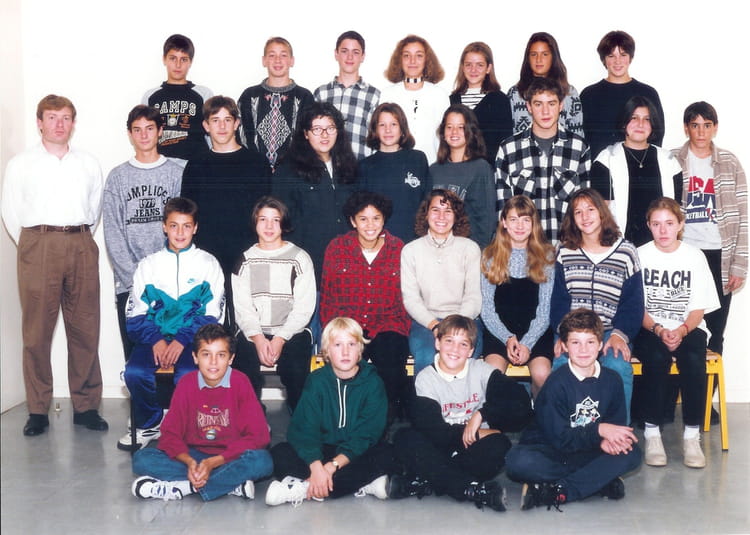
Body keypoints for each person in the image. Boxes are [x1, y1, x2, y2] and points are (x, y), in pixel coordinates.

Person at [2, 94, 108, 437]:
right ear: (40, 123)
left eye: (65, 118)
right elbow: (11, 211)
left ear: (73, 123)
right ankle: (37, 410)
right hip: (38, 243)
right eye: (51, 117)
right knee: (36, 332)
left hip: (80, 242)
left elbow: (94, 210)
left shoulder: (88, 163)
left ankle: (86, 406)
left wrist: (76, 238)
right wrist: (34, 244)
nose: (59, 124)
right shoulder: (21, 164)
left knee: (85, 327)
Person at [392, 315, 532, 512]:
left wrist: (481, 414)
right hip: (440, 446)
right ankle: (470, 489)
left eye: (463, 344)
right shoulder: (425, 379)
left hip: (468, 450)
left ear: (471, 351)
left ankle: (431, 478)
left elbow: (521, 404)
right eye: (449, 341)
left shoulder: (482, 371)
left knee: (499, 445)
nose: (455, 349)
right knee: (405, 438)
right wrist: (477, 432)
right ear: (437, 343)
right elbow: (436, 432)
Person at [505, 309, 641, 510]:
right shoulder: (556, 383)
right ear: (564, 346)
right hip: (553, 448)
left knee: (632, 453)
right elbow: (560, 439)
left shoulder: (612, 380)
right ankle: (597, 480)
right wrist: (599, 431)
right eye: (576, 342)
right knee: (517, 462)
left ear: (600, 345)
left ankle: (560, 490)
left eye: (590, 342)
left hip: (589, 448)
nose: (583, 349)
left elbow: (616, 427)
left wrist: (610, 440)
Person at [121, 197, 225, 451]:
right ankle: (149, 424)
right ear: (164, 227)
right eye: (174, 226)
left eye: (186, 226)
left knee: (189, 373)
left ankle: (188, 426)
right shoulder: (148, 266)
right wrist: (156, 340)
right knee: (135, 373)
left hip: (193, 340)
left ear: (195, 228)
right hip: (154, 338)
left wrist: (182, 340)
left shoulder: (208, 264)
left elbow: (213, 315)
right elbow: (134, 316)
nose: (180, 233)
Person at [131, 324, 272, 501]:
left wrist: (214, 462)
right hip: (194, 455)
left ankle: (186, 487)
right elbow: (169, 434)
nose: (213, 362)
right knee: (142, 458)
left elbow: (259, 436)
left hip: (230, 456)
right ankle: (228, 483)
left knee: (263, 461)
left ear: (231, 359)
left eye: (221, 355)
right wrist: (189, 462)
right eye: (206, 354)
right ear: (195, 357)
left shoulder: (240, 382)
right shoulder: (186, 383)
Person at [265, 317, 398, 506]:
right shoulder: (316, 381)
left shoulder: (373, 383)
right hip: (322, 451)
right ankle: (359, 484)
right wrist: (316, 466)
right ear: (327, 351)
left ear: (360, 349)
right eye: (337, 345)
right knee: (279, 453)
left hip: (353, 454)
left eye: (351, 344)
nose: (345, 352)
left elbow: (366, 434)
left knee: (388, 453)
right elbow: (304, 430)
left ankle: (304, 487)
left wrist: (332, 467)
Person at [635, 198, 719, 469]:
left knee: (693, 360)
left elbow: (698, 309)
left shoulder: (694, 256)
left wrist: (681, 331)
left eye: (669, 223)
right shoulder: (639, 255)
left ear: (680, 225)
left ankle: (692, 436)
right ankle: (652, 434)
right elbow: (636, 307)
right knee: (656, 359)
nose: (663, 230)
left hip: (688, 326)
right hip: (650, 327)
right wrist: (659, 329)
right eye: (656, 224)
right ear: (648, 225)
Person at [181, 95, 272, 341]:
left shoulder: (256, 163)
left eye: (227, 120)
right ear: (206, 126)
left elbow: (266, 213)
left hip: (248, 255)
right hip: (208, 256)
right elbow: (187, 214)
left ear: (237, 123)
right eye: (215, 120)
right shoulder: (196, 165)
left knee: (249, 324)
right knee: (210, 325)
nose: (221, 126)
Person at [549, 189, 643, 421]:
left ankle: (618, 431)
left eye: (590, 209)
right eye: (578, 212)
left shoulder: (626, 252)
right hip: (573, 331)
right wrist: (563, 334)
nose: (585, 216)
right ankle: (563, 429)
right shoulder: (564, 251)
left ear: (602, 213)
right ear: (572, 219)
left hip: (611, 331)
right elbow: (558, 300)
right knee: (561, 364)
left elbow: (633, 303)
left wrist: (620, 335)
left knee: (618, 366)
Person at [103, 104, 183, 361]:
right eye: (137, 130)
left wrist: (169, 273)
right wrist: (135, 279)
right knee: (138, 361)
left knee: (173, 360)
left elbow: (182, 229)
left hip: (170, 283)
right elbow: (113, 232)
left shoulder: (176, 173)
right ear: (130, 134)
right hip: (130, 284)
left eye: (149, 128)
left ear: (160, 131)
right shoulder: (117, 177)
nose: (144, 135)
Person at [320, 191, 411, 414]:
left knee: (391, 367)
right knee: (345, 365)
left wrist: (401, 327)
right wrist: (332, 332)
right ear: (353, 221)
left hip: (387, 324)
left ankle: (383, 421)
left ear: (384, 219)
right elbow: (327, 296)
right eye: (363, 219)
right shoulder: (337, 247)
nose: (370, 225)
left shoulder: (399, 248)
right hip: (348, 325)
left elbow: (406, 297)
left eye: (376, 218)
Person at [673, 101, 747, 355]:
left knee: (716, 328)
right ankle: (681, 381)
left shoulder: (729, 162)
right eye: (695, 125)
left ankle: (708, 382)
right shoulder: (673, 159)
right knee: (682, 324)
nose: (701, 131)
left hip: (720, 255)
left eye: (706, 125)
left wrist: (739, 265)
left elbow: (743, 215)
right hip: (686, 252)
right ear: (686, 128)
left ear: (715, 128)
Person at [232, 196, 315, 408]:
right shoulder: (244, 260)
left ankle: (299, 417)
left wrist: (280, 338)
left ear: (283, 223)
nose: (269, 226)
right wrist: (258, 338)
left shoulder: (300, 258)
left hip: (291, 332)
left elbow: (304, 309)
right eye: (263, 219)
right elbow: (243, 309)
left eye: (275, 220)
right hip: (255, 332)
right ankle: (252, 419)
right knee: (243, 369)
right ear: (255, 222)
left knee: (296, 369)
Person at [273, 101, 358, 287]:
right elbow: (283, 223)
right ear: (305, 133)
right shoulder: (288, 171)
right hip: (308, 267)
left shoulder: (350, 167)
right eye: (317, 129)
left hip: (348, 265)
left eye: (330, 128)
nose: (325, 135)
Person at [496, 77, 590, 244]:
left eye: (551, 104)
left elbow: (584, 206)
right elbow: (503, 209)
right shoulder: (508, 149)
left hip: (566, 248)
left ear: (561, 106)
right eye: (538, 104)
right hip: (524, 249)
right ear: (528, 107)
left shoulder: (579, 148)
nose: (545, 112)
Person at [481, 195, 556, 397]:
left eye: (525, 220)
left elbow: (545, 310)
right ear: (504, 222)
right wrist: (507, 338)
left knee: (542, 374)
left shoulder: (546, 256)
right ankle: (499, 414)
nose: (520, 226)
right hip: (499, 330)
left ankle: (537, 409)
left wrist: (527, 344)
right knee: (492, 375)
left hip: (536, 330)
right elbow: (486, 309)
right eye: (513, 219)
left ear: (534, 224)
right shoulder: (490, 256)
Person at [401, 190, 482, 374]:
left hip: (465, 319)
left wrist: (454, 328)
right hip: (426, 322)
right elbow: (411, 299)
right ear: (426, 214)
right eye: (435, 210)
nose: (441, 217)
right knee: (426, 359)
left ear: (456, 216)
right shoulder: (410, 251)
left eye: (448, 211)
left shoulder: (470, 249)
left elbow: (473, 297)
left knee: (464, 362)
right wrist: (434, 325)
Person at [591, 95, 682, 246]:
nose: (640, 124)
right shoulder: (606, 160)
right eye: (634, 118)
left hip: (661, 248)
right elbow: (600, 213)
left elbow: (676, 211)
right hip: (620, 247)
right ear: (624, 122)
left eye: (647, 119)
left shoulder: (669, 161)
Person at [580, 30, 664, 158]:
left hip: (638, 165)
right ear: (604, 59)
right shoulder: (589, 95)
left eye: (623, 55)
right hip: (598, 166)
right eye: (611, 56)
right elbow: (582, 137)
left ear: (630, 58)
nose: (617, 61)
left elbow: (657, 135)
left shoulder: (648, 93)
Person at [238, 37, 314, 172]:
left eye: (283, 55)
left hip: (293, 174)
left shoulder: (304, 97)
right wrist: (256, 165)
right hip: (254, 172)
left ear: (292, 61)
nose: (277, 60)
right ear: (264, 60)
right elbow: (241, 135)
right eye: (272, 55)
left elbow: (309, 138)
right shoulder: (249, 96)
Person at [358, 102, 431, 241]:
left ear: (402, 129)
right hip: (379, 243)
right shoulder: (365, 166)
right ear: (375, 130)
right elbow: (362, 212)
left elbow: (427, 202)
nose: (388, 130)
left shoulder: (418, 159)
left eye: (393, 124)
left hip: (415, 241)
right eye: (382, 125)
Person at [430, 104, 496, 248]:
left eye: (461, 127)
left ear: (470, 131)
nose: (454, 132)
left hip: (468, 249)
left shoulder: (481, 168)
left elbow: (487, 219)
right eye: (449, 127)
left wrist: (477, 252)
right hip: (437, 248)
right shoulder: (434, 170)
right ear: (443, 132)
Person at [142, 34, 212, 164]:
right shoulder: (150, 97)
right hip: (161, 165)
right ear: (164, 59)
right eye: (173, 58)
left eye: (184, 59)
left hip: (196, 165)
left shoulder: (203, 94)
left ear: (190, 62)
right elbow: (144, 134)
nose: (178, 65)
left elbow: (212, 134)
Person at [380, 35, 450, 164]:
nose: (412, 61)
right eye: (407, 55)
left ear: (427, 60)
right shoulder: (387, 94)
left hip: (432, 167)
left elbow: (446, 137)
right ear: (400, 60)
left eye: (419, 56)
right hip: (396, 165)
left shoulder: (439, 95)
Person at [314, 31, 380, 160]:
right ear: (336, 54)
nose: (350, 57)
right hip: (325, 166)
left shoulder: (374, 96)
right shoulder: (321, 93)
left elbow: (377, 137)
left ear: (362, 56)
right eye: (344, 51)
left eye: (355, 52)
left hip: (361, 165)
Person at [507, 32, 584, 138]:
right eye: (534, 54)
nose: (538, 60)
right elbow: (508, 135)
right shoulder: (515, 93)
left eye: (545, 54)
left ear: (553, 57)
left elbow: (578, 135)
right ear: (528, 58)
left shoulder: (569, 92)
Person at [449, 41, 513, 164]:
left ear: (488, 68)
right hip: (457, 168)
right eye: (468, 65)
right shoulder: (452, 101)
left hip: (489, 169)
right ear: (462, 67)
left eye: (479, 65)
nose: (473, 70)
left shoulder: (500, 100)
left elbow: (506, 141)